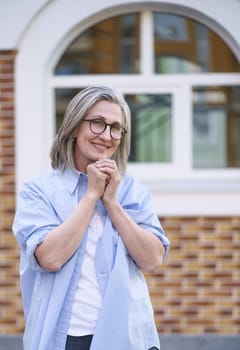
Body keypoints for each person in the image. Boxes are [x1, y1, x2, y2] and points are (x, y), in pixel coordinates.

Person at [13, 86, 170, 350]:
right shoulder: (38, 191)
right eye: (97, 123)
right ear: (74, 127)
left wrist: (111, 202)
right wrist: (91, 196)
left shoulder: (131, 191)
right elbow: (50, 257)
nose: (106, 135)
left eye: (115, 127)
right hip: (68, 339)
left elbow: (153, 260)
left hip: (129, 337)